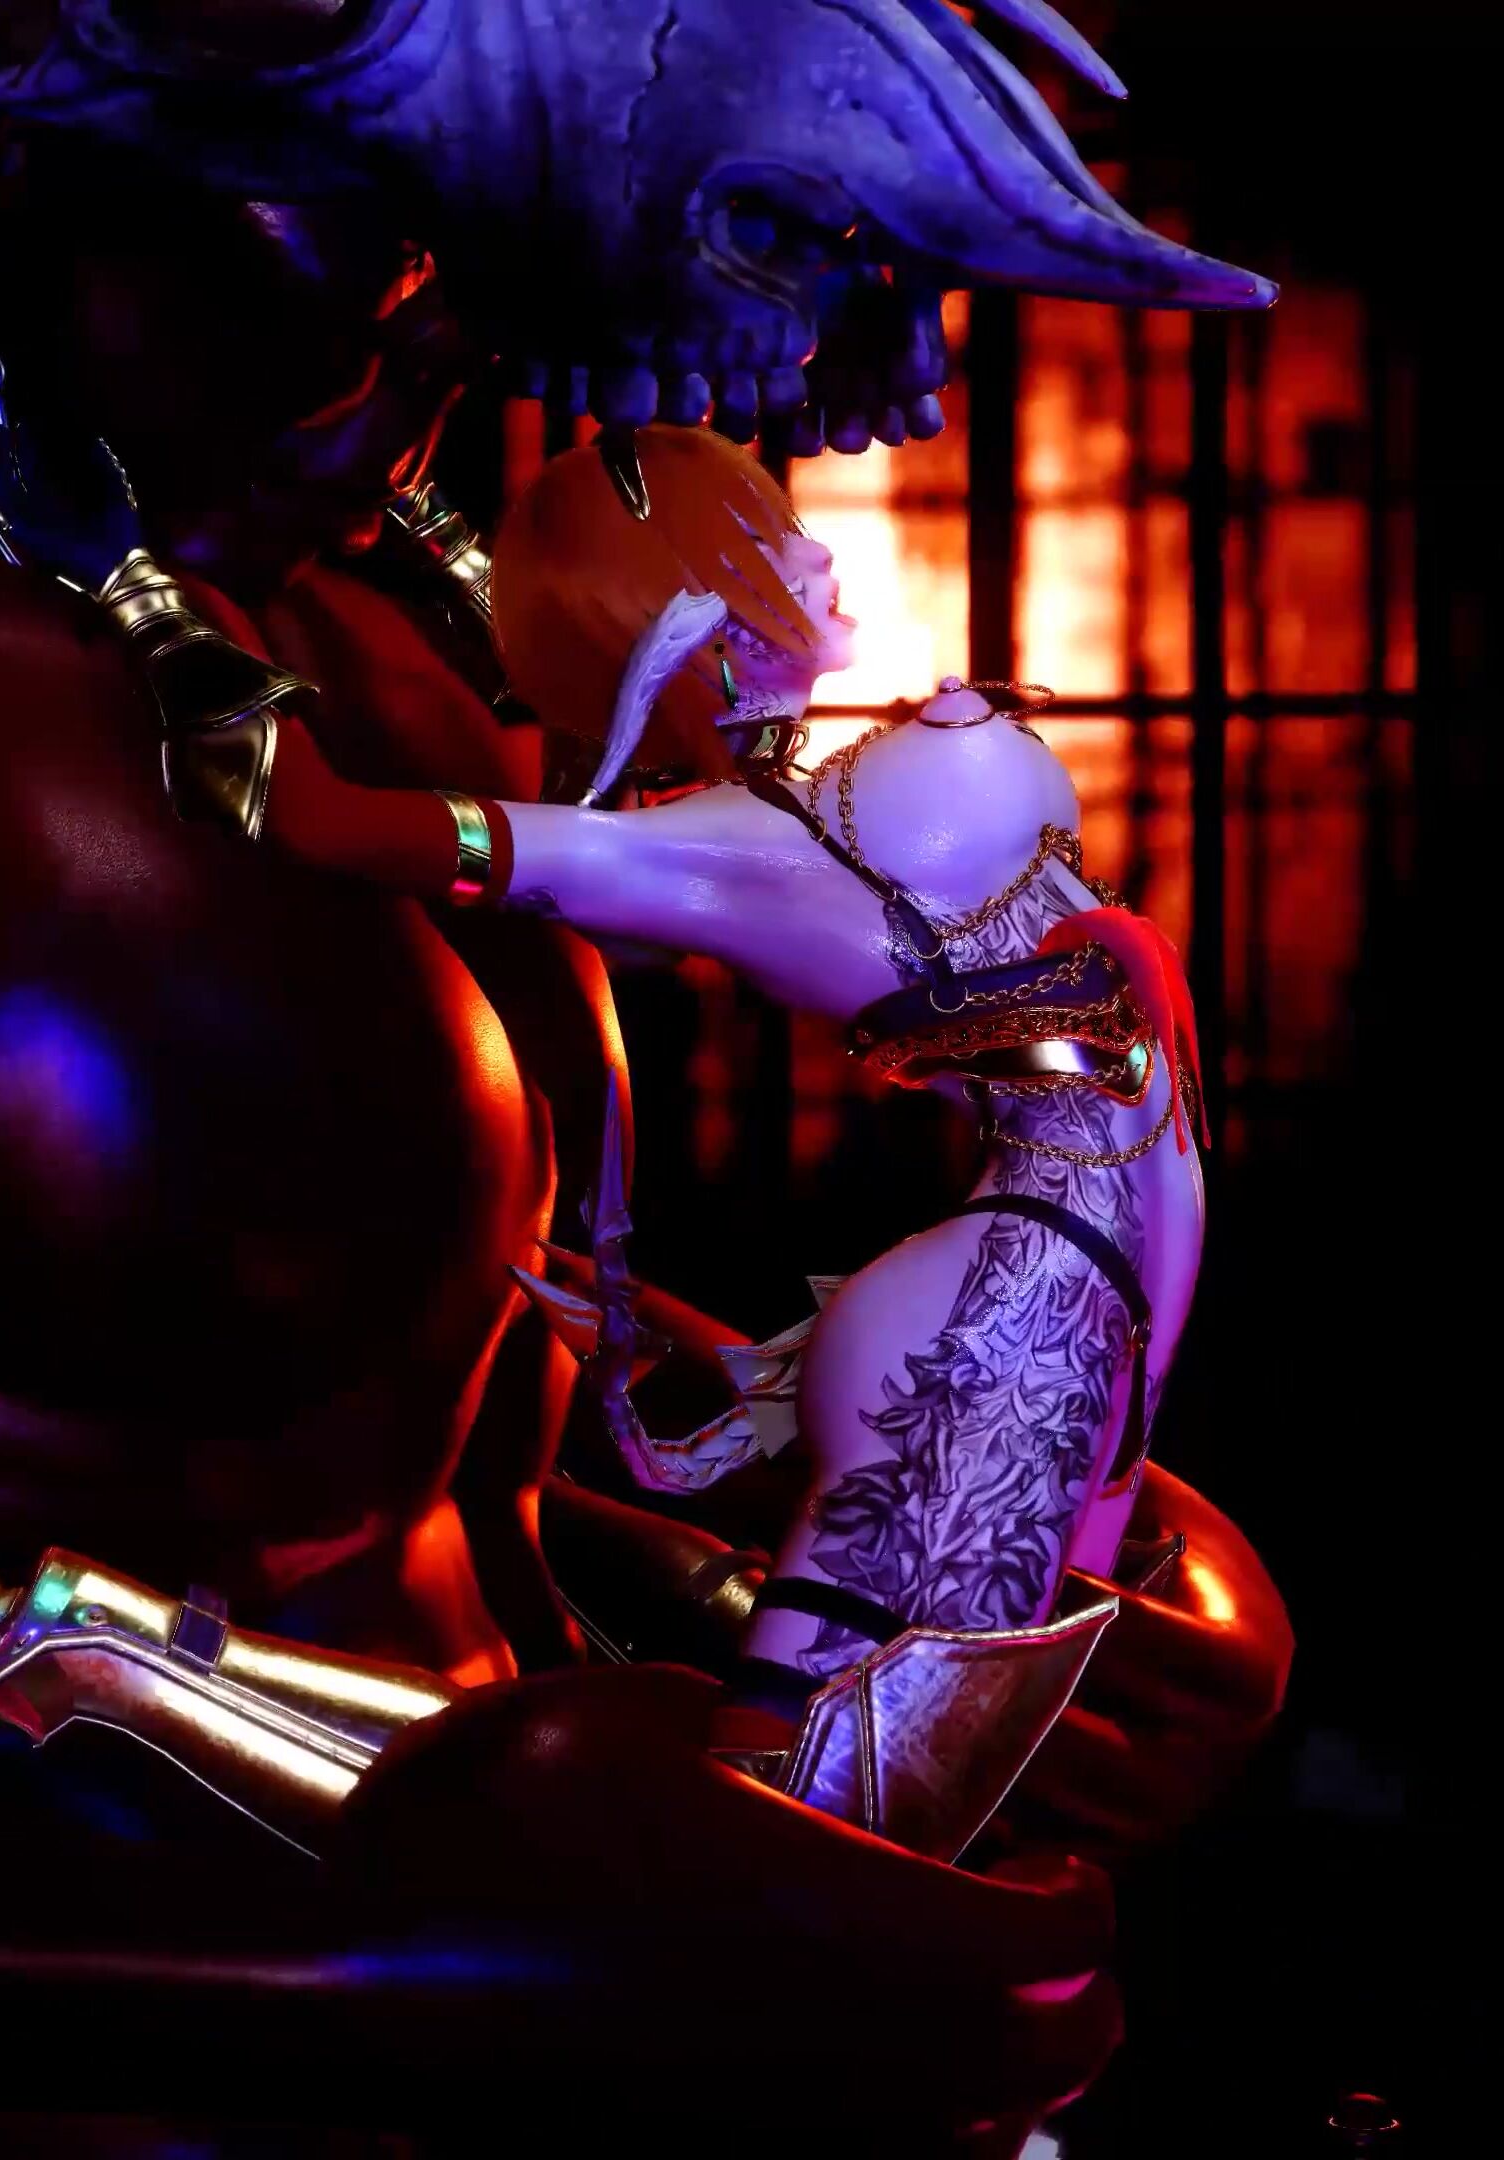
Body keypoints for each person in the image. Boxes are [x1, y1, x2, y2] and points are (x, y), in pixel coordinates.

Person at [248, 426, 1208, 1717]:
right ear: (689, 607)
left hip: (1073, 1306)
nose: (817, 554)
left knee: (953, 1777)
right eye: (761, 536)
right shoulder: (738, 844)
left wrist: (464, 558)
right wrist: (155, 607)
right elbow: (323, 820)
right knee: (825, 1794)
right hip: (1005, 1327)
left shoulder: (782, 811)